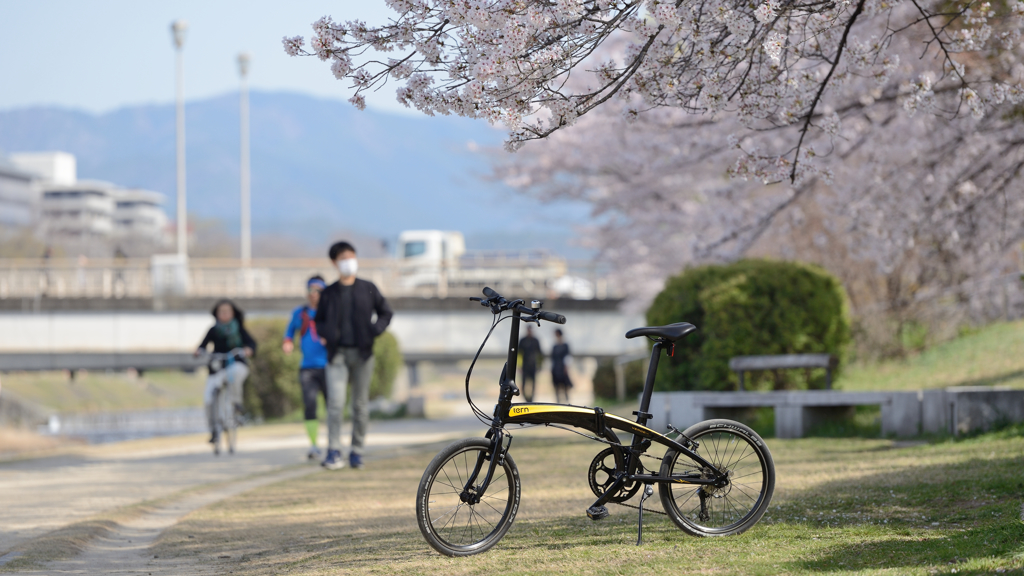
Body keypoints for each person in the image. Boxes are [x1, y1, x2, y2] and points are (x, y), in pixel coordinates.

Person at [315, 241, 393, 470]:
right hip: (336, 355)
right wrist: (327, 334)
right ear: (334, 263)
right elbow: (318, 320)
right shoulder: (328, 293)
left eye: (351, 256)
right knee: (336, 404)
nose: (348, 261)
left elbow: (386, 312)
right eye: (342, 258)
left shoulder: (368, 287)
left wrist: (374, 331)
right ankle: (333, 450)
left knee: (360, 405)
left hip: (363, 354)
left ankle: (357, 451)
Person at [195, 300, 256, 445]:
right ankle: (214, 431)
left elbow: (252, 344)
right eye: (221, 311)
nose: (224, 314)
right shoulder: (213, 329)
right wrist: (199, 351)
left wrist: (248, 350)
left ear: (233, 313)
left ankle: (236, 404)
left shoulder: (239, 328)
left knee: (235, 374)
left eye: (227, 311)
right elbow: (202, 345)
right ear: (216, 313)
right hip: (217, 367)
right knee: (208, 398)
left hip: (236, 364)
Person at [283, 276, 329, 460]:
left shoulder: (330, 312)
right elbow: (289, 332)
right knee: (310, 405)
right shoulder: (299, 313)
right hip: (307, 367)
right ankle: (314, 445)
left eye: (319, 290)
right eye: (311, 290)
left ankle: (334, 444)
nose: (314, 294)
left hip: (328, 366)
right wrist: (287, 342)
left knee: (332, 406)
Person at [518, 325, 542, 402]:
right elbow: (519, 354)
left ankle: (532, 398)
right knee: (524, 383)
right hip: (525, 366)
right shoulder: (523, 340)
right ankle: (526, 398)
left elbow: (539, 354)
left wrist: (540, 365)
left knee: (533, 384)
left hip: (533, 365)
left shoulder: (535, 340)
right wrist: (519, 366)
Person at [550, 328, 573, 404]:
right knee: (556, 385)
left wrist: (566, 367)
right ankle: (558, 400)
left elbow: (567, 357)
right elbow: (552, 358)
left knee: (565, 385)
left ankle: (567, 399)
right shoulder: (555, 346)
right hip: (556, 368)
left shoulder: (565, 346)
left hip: (563, 367)